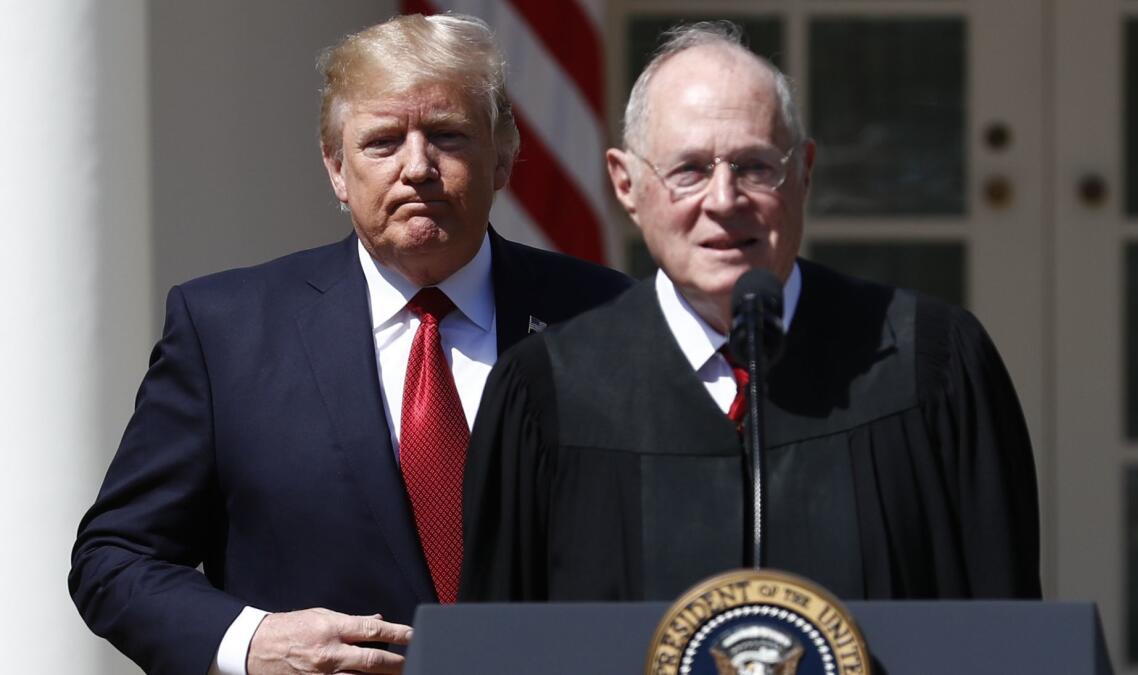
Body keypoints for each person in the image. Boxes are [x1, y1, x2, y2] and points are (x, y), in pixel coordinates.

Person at [69, 13, 630, 675]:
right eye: (384, 141)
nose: (417, 167)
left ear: (504, 156)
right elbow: (115, 557)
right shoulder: (227, 331)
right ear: (337, 168)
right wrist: (253, 641)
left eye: (448, 136)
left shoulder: (606, 317)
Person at [460, 22, 1041, 604]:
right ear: (627, 184)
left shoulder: (928, 364)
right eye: (687, 170)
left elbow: (1005, 635)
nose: (723, 200)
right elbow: (501, 647)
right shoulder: (548, 392)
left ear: (805, 172)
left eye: (755, 166)